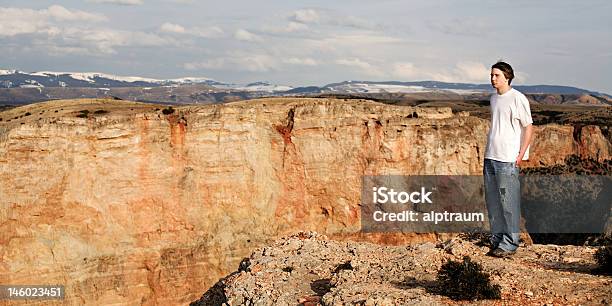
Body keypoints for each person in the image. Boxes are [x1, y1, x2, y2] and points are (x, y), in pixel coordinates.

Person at [484, 61, 534, 258]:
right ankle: (497, 240)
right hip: (490, 157)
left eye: (496, 75)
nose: (493, 79)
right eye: (491, 75)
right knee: (493, 202)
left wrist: (521, 154)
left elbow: (529, 127)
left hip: (507, 159)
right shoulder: (493, 98)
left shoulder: (517, 98)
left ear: (507, 77)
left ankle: (510, 243)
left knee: (508, 203)